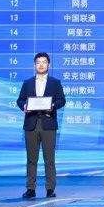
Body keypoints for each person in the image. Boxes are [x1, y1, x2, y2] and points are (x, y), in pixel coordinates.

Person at [16, 52, 66, 199]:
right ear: (34, 65)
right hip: (31, 123)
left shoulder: (55, 82)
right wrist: (24, 106)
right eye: (38, 62)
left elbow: (62, 100)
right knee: (31, 159)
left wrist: (53, 106)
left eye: (44, 62)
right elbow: (20, 100)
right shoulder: (28, 83)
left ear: (49, 64)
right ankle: (30, 188)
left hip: (48, 123)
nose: (41, 65)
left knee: (49, 159)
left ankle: (50, 188)